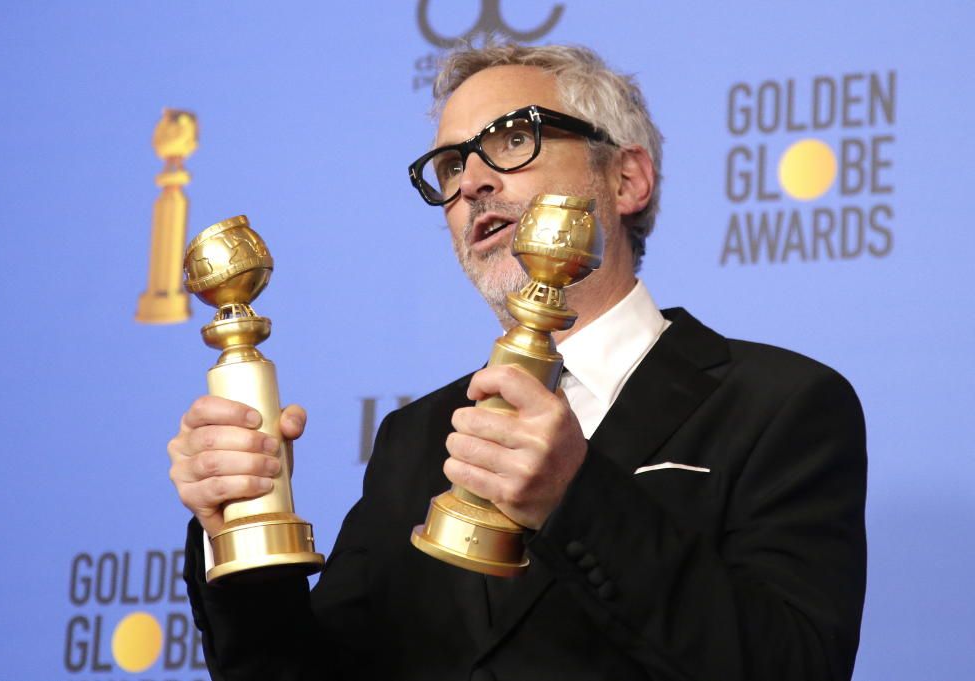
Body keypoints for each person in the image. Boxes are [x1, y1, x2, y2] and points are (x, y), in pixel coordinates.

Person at [168, 44, 866, 681]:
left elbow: (794, 664)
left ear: (626, 179)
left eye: (512, 139)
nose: (470, 181)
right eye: (449, 164)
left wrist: (576, 497)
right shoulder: (416, 439)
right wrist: (237, 534)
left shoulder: (783, 405)